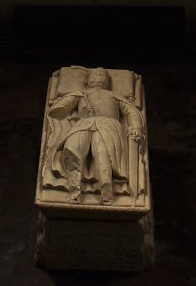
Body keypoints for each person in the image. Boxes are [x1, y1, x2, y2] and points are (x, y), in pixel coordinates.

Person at [47, 67, 144, 204]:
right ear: (87, 80)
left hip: (108, 125)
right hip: (84, 123)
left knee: (102, 151)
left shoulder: (114, 96)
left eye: (102, 75)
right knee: (73, 146)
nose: (99, 76)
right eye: (95, 74)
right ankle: (74, 184)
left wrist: (136, 127)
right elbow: (60, 107)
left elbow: (131, 111)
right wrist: (60, 105)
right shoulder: (80, 94)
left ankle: (106, 186)